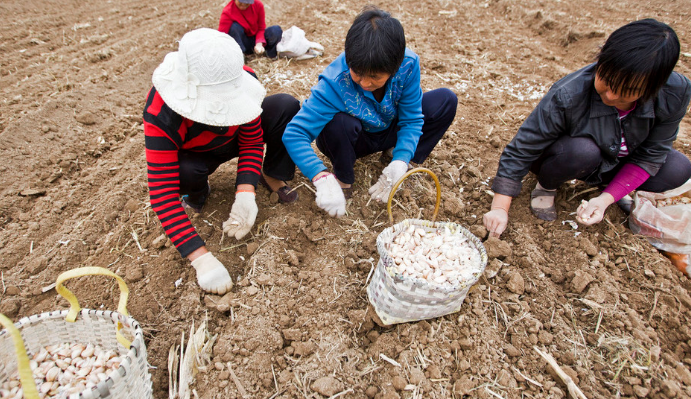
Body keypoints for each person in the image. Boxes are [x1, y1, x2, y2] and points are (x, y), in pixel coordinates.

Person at [483, 18, 691, 238]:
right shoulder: (569, 93)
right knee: (583, 151)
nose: (611, 95)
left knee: (678, 168)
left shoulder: (674, 93)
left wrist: (605, 200)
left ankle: (612, 188)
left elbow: (651, 155)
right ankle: (546, 186)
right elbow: (522, 149)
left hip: (616, 161)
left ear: (654, 87)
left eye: (627, 91)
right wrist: (499, 208)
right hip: (569, 157)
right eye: (606, 79)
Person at [143, 28, 299, 294]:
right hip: (195, 155)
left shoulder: (238, 79)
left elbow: (251, 141)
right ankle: (197, 192)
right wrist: (202, 260)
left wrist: (246, 191)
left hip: (231, 140)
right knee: (184, 171)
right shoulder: (162, 110)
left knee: (284, 105)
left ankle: (270, 173)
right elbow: (162, 193)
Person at [281, 7, 458, 217]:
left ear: (394, 68)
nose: (365, 83)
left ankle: (397, 159)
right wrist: (321, 177)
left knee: (445, 101)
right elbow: (295, 133)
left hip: (388, 127)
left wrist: (402, 158)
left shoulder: (408, 65)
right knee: (338, 123)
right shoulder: (335, 81)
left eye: (375, 76)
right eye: (358, 73)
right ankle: (343, 180)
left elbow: (411, 119)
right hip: (355, 140)